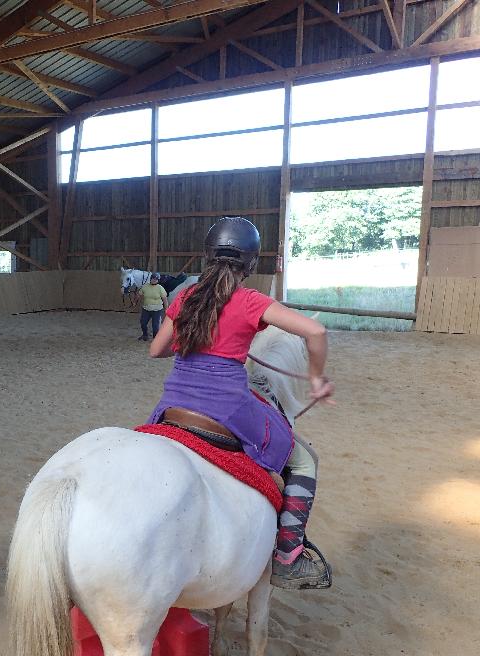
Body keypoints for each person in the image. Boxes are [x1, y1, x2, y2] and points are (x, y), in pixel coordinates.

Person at [147, 217, 334, 590]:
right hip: (228, 408)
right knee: (303, 461)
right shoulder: (250, 301)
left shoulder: (185, 297)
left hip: (173, 404)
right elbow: (316, 331)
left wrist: (190, 340)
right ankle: (287, 557)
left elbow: (156, 350)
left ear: (208, 257)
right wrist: (315, 377)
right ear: (250, 264)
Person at [138, 272, 168, 341]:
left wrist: (167, 309)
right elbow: (139, 295)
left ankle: (155, 338)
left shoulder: (160, 288)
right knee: (143, 323)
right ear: (150, 279)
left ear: (158, 280)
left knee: (155, 326)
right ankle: (145, 335)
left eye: (156, 279)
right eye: (153, 279)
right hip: (146, 309)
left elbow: (165, 299)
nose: (154, 280)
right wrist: (134, 301)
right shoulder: (145, 287)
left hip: (157, 310)